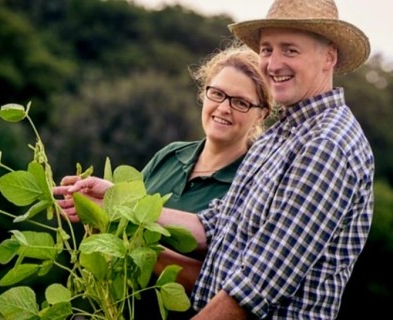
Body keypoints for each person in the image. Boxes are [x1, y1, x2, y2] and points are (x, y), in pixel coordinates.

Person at [56, 0, 375, 317]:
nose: (274, 64)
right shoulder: (281, 137)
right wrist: (114, 201)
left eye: (290, 50)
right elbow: (217, 225)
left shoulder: (325, 143)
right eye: (267, 49)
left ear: (328, 56)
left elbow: (255, 289)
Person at [54, 43, 272, 319]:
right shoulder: (170, 156)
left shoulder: (258, 181)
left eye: (240, 102)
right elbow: (120, 230)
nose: (224, 108)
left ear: (262, 113)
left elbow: (230, 289)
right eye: (216, 94)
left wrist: (143, 250)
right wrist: (100, 213)